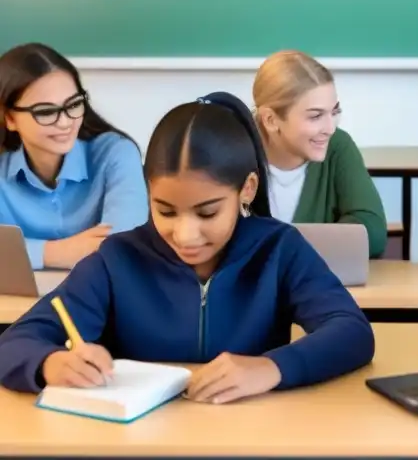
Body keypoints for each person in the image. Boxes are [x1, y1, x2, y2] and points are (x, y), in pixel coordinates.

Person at [0, 91, 375, 402]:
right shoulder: (116, 260)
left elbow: (351, 331)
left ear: (247, 189)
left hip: (248, 435)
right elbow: (14, 343)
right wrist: (50, 363)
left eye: (207, 213)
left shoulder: (279, 248)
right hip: (137, 444)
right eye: (165, 211)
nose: (185, 235)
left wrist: (273, 368)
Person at [0, 43, 147, 270]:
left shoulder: (116, 154)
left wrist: (23, 252)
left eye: (74, 104)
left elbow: (123, 249)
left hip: (100, 301)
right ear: (9, 118)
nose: (66, 122)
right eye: (46, 111)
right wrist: (55, 252)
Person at [253, 51, 387, 257]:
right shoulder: (235, 148)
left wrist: (282, 248)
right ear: (270, 120)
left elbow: (373, 232)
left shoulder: (338, 146)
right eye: (315, 116)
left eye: (334, 112)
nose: (330, 128)